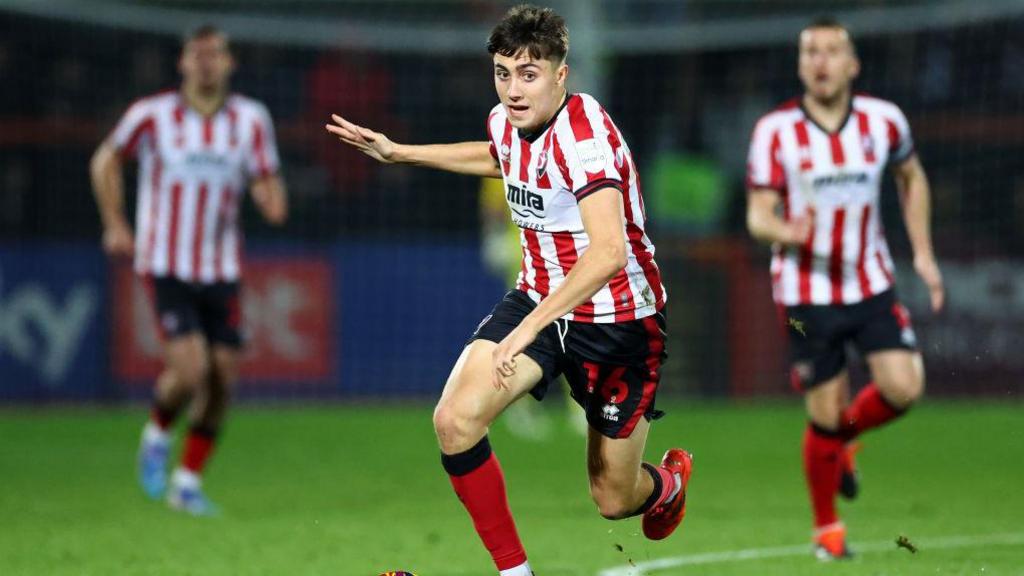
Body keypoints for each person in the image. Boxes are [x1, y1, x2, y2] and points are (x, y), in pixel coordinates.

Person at [327, 5, 691, 575]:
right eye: (503, 72)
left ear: (560, 75)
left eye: (529, 73)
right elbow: (499, 155)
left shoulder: (587, 134)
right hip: (539, 297)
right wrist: (400, 151)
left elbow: (608, 252)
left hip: (617, 317)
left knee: (613, 499)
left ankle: (666, 484)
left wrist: (526, 331)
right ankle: (515, 572)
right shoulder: (506, 120)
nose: (513, 89)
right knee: (454, 421)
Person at [745, 18, 944, 560]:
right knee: (823, 411)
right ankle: (826, 531)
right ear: (800, 64)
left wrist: (923, 254)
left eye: (833, 51)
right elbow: (758, 215)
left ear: (852, 64)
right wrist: (788, 231)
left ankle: (843, 443)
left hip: (870, 280)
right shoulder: (775, 131)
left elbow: (912, 177)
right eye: (811, 51)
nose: (822, 61)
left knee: (904, 387)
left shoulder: (884, 121)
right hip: (804, 295)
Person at [89, 25, 287, 515]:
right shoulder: (152, 115)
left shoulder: (250, 119)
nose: (204, 62)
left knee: (222, 379)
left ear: (228, 63)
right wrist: (115, 222)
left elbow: (266, 177)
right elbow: (105, 160)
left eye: (214, 53)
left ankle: (187, 482)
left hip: (221, 268)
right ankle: (157, 432)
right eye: (196, 54)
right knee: (191, 368)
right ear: (181, 63)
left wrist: (270, 196)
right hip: (166, 262)